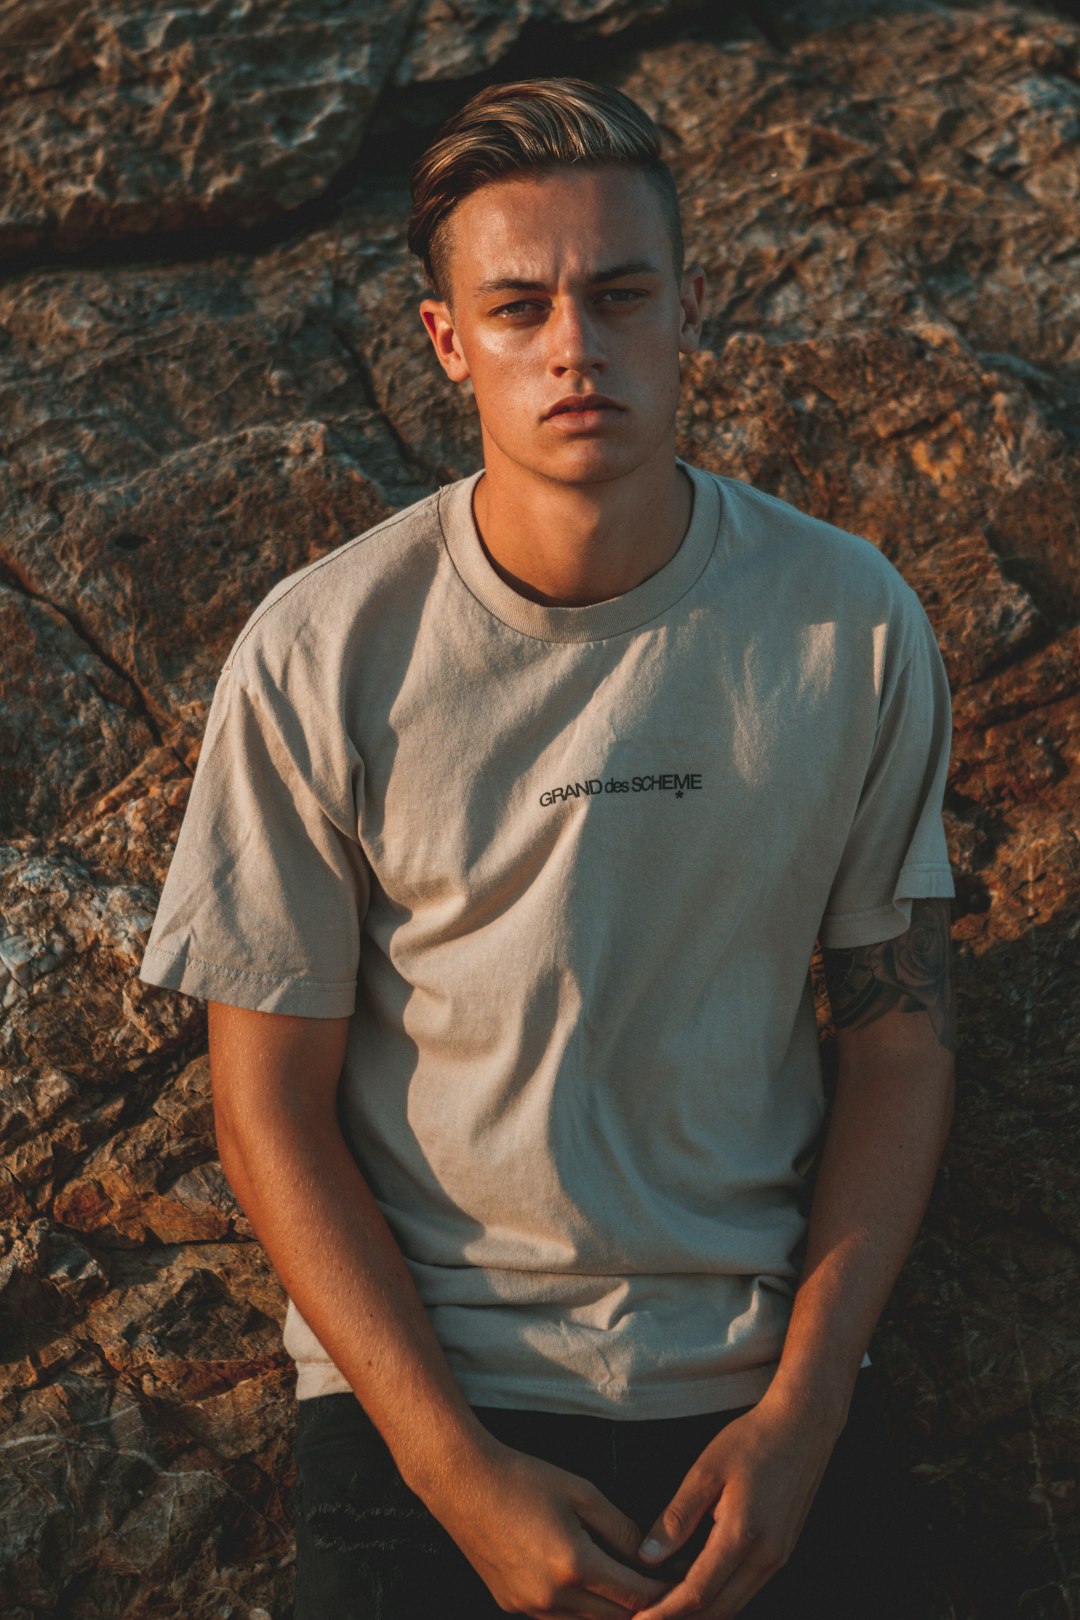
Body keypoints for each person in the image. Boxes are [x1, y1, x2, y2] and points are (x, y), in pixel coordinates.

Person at [138, 77, 957, 1620]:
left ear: (690, 305)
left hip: (751, 1410)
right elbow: (265, 1110)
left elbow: (899, 1046)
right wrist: (452, 1471)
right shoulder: (325, 650)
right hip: (417, 1410)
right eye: (517, 307)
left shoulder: (848, 622)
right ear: (449, 342)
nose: (576, 346)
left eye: (621, 293)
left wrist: (805, 1413)